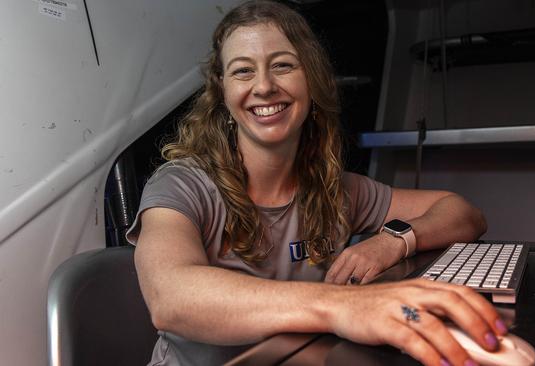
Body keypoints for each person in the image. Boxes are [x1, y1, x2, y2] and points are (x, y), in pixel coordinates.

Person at [126, 1, 505, 365]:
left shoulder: (336, 189)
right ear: (223, 92)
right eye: (243, 70)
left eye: (283, 65)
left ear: (312, 81)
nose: (264, 86)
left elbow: (465, 213)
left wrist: (392, 241)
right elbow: (169, 297)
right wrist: (342, 306)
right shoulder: (181, 186)